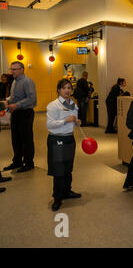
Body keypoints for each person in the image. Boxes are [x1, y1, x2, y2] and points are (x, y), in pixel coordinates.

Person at [46, 79, 82, 211]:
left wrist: (76, 122)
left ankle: (67, 191)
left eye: (69, 88)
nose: (67, 90)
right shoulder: (53, 105)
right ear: (58, 90)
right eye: (64, 88)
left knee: (68, 167)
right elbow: (49, 124)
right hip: (57, 140)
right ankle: (57, 198)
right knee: (59, 170)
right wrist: (65, 120)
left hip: (69, 139)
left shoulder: (73, 104)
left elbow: (73, 121)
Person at [1, 61, 37, 173]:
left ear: (22, 69)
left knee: (26, 139)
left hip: (25, 113)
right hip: (16, 113)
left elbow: (31, 99)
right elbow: (14, 97)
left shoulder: (28, 82)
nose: (12, 71)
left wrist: (16, 105)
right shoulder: (14, 82)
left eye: (15, 69)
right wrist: (7, 101)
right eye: (11, 69)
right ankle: (17, 161)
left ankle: (29, 163)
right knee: (16, 139)